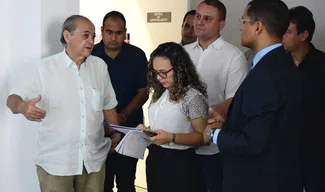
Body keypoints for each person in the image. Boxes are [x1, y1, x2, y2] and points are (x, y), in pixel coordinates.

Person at [6, 15, 119, 192]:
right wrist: (23, 108)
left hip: (93, 162)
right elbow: (12, 99)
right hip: (56, 164)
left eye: (93, 36)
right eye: (85, 35)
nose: (91, 40)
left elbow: (108, 105)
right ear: (67, 36)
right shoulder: (44, 68)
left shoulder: (100, 66)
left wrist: (116, 135)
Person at [203, 1, 303, 191]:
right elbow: (267, 124)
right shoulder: (281, 63)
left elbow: (253, 142)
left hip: (257, 179)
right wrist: (229, 122)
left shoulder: (267, 75)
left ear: (258, 27)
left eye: (244, 21)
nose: (241, 26)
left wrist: (213, 135)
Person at [183, 0, 248, 191]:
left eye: (207, 18)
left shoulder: (233, 56)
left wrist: (204, 125)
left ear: (221, 24)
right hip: (180, 142)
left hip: (211, 146)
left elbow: (233, 101)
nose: (199, 22)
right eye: (197, 16)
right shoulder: (182, 53)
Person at [138, 42, 208, 192]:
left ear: (179, 69)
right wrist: (147, 131)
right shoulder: (161, 93)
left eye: (164, 72)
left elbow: (203, 137)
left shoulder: (192, 96)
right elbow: (163, 125)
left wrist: (171, 137)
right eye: (156, 72)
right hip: (156, 158)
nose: (159, 77)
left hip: (180, 164)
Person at [91, 11, 149, 192]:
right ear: (102, 31)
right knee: (102, 184)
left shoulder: (137, 55)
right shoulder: (91, 55)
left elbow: (143, 92)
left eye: (118, 33)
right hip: (98, 131)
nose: (114, 37)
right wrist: (106, 121)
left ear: (125, 32)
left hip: (130, 129)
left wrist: (121, 116)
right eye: (109, 32)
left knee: (126, 183)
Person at [282, 6, 325, 192]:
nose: (282, 36)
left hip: (317, 156)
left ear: (303, 35)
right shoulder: (275, 65)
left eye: (287, 31)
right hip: (283, 156)